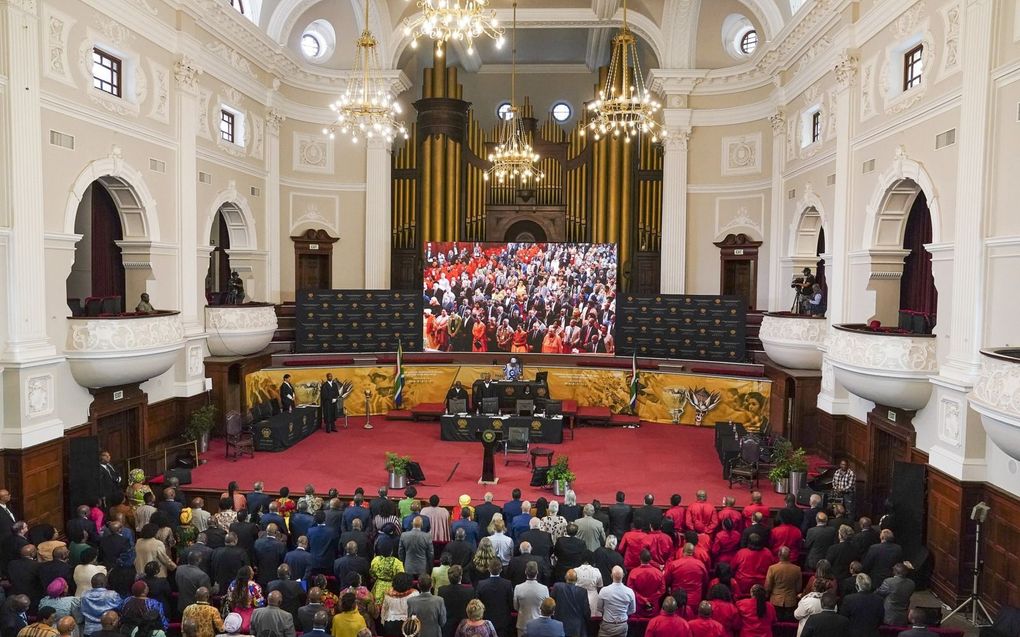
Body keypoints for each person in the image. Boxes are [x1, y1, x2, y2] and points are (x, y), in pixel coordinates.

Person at [474, 558, 512, 637]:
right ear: (501, 569)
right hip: (503, 621)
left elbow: (478, 602)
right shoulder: (507, 584)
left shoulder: (481, 584)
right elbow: (511, 603)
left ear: (488, 569)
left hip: (486, 620)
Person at [224, 566, 265, 634]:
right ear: (249, 575)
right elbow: (259, 604)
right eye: (252, 571)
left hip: (235, 614)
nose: (253, 572)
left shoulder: (232, 584)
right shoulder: (254, 586)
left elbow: (230, 600)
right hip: (250, 615)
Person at [764, 546, 801, 621]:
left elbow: (768, 586)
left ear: (779, 555)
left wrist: (767, 595)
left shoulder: (772, 568)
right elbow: (798, 588)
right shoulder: (797, 569)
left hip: (775, 600)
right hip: (791, 601)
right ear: (790, 556)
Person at [596, 566, 634, 637]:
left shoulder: (604, 591)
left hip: (607, 625)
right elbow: (632, 610)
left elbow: (599, 608)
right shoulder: (630, 592)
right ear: (623, 575)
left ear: (611, 575)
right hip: (622, 625)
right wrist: (623, 613)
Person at [439, 566, 476, 637]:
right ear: (461, 577)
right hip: (465, 627)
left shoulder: (442, 591)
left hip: (448, 627)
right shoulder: (469, 591)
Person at [513, 562, 549, 637]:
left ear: (525, 572)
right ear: (537, 572)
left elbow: (515, 607)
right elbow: (547, 608)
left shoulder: (518, 588)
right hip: (538, 625)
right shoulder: (544, 589)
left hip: (522, 624)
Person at [380, 573, 419, 637]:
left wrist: (383, 622)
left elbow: (384, 609)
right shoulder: (414, 593)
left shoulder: (388, 594)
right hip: (408, 624)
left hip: (391, 623)